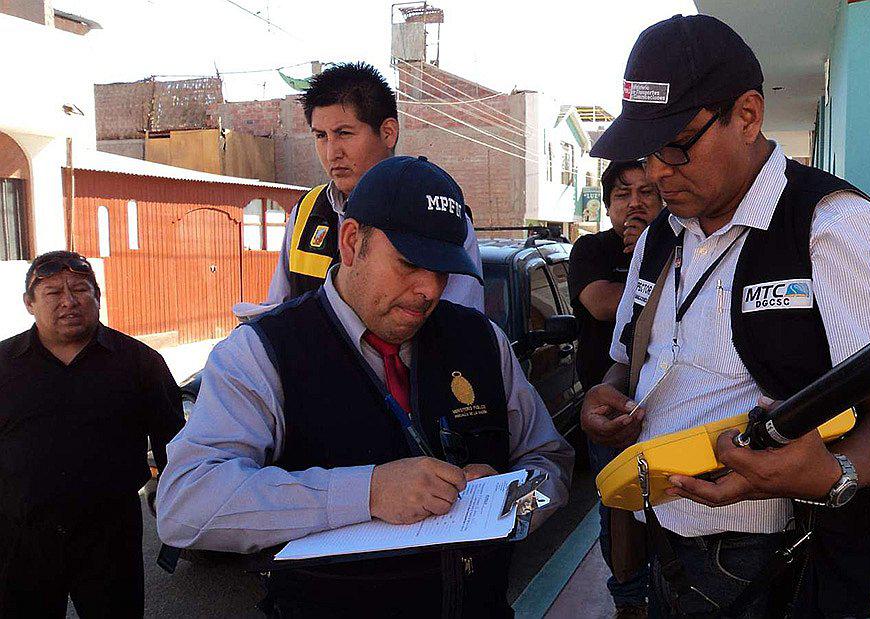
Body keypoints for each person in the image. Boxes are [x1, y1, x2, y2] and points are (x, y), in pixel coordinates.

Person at [582, 15, 870, 618]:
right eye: (645, 152)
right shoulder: (659, 236)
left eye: (676, 145)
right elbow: (629, 361)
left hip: (789, 556)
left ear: (748, 116)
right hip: (664, 536)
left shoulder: (836, 230)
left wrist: (831, 472)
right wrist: (610, 394)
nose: (656, 173)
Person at [157, 156, 573, 617]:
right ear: (352, 242)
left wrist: (511, 502)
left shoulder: (480, 341)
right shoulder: (262, 353)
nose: (429, 290)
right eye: (410, 264)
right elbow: (186, 504)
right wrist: (367, 492)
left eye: (443, 271)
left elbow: (549, 461)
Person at [0, 251, 185, 618]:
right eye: (53, 292)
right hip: (20, 538)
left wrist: (176, 505)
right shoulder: (4, 365)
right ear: (29, 304)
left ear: (97, 298)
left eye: (81, 289)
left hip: (109, 538)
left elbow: (174, 445)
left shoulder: (140, 363)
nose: (69, 300)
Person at [265, 61, 484, 311]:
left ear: (388, 133)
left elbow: (460, 329)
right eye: (321, 136)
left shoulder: (437, 213)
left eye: (344, 133)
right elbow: (277, 310)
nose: (331, 152)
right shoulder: (307, 213)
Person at [568, 159, 661, 617]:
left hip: (663, 404)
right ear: (607, 207)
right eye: (623, 194)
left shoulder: (675, 245)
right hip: (608, 410)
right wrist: (643, 254)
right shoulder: (590, 251)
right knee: (618, 507)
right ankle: (628, 600)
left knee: (665, 503)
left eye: (646, 192)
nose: (635, 203)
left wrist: (651, 246)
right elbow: (607, 307)